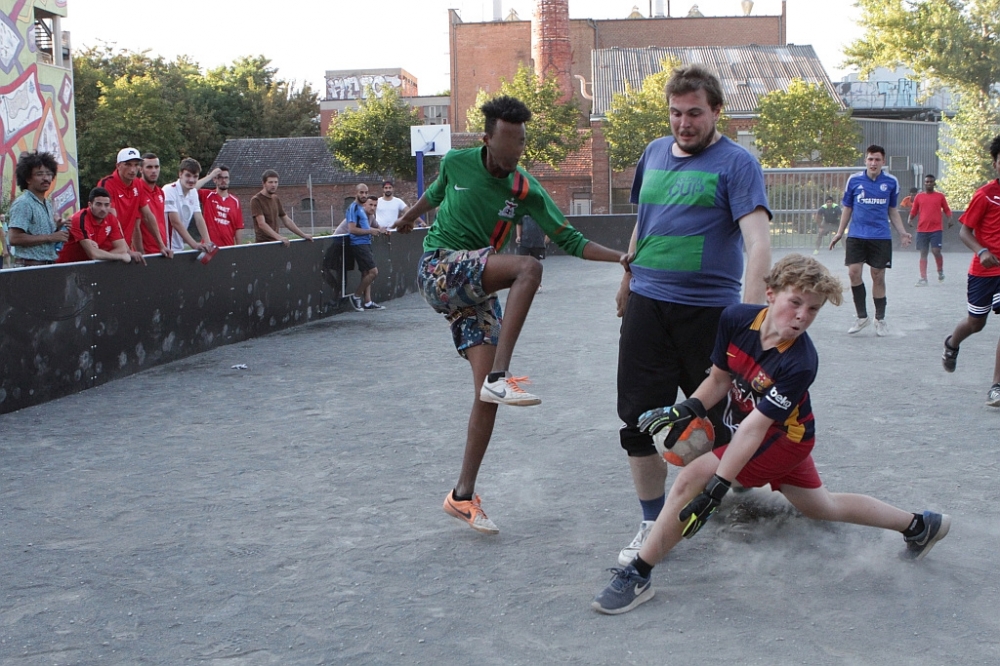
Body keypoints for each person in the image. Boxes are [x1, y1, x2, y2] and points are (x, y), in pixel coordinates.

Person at [592, 254, 950, 615]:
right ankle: (919, 525)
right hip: (779, 434)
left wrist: (716, 487)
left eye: (813, 309)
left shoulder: (800, 361)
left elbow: (753, 429)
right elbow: (719, 379)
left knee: (690, 480)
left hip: (784, 439)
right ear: (770, 295)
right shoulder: (735, 319)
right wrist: (688, 408)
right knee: (821, 506)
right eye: (795, 302)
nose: (802, 316)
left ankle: (638, 575)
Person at [392, 95, 627, 535]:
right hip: (439, 268)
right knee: (527, 268)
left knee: (485, 397)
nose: (517, 150)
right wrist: (408, 217)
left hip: (475, 286)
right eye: (509, 142)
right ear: (487, 139)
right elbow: (434, 194)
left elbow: (571, 239)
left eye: (521, 142)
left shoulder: (525, 189)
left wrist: (621, 258)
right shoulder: (458, 162)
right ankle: (501, 376)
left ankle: (461, 495)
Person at [613, 64, 772, 567]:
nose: (684, 123)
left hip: (709, 313)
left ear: (716, 111)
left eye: (695, 113)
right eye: (676, 113)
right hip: (648, 306)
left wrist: (750, 319)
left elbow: (758, 243)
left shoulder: (738, 164)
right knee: (638, 418)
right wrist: (628, 279)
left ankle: (731, 482)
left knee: (715, 418)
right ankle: (652, 521)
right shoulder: (654, 153)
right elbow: (645, 223)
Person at [941, 135, 1000, 408]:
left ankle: (996, 386)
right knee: (976, 323)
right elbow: (965, 231)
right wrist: (982, 251)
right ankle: (952, 344)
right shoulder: (985, 195)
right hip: (983, 272)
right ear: (995, 164)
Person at [829, 145, 913, 336]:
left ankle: (880, 319)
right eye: (870, 159)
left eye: (877, 159)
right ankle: (862, 317)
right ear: (865, 161)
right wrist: (840, 232)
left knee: (878, 276)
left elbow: (892, 210)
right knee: (853, 273)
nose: (873, 163)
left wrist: (902, 232)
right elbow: (847, 208)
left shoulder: (891, 182)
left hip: (880, 236)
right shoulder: (854, 180)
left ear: (883, 162)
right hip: (857, 235)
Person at [6, 151, 66, 266]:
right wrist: (50, 237)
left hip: (47, 266)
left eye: (49, 174)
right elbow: (14, 238)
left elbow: (43, 238)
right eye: (39, 174)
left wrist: (58, 228)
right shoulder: (24, 203)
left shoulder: (47, 204)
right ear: (28, 179)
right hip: (29, 268)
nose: (46, 178)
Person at [56, 187, 145, 265]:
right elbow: (93, 254)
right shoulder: (80, 219)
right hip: (66, 266)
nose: (103, 209)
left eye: (106, 205)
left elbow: (122, 248)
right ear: (90, 205)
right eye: (98, 204)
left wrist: (100, 254)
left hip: (89, 266)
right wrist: (120, 257)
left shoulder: (111, 218)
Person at [97, 148, 162, 253]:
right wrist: (127, 251)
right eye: (128, 165)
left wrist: (161, 246)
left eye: (136, 165)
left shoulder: (138, 184)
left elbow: (148, 216)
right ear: (118, 166)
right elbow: (112, 219)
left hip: (124, 248)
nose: (132, 170)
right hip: (105, 248)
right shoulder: (107, 184)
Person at [345, 185, 388, 311]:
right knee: (373, 272)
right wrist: (370, 231)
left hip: (366, 243)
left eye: (366, 193)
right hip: (358, 244)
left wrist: (382, 230)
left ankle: (368, 302)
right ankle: (356, 296)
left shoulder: (361, 208)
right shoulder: (353, 208)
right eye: (361, 192)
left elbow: (372, 226)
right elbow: (352, 229)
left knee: (366, 273)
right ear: (356, 193)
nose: (364, 195)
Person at [908, 174, 952, 286]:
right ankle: (923, 278)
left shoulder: (940, 196)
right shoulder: (919, 197)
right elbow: (914, 210)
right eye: (927, 182)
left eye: (931, 182)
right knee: (923, 253)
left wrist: (950, 218)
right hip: (922, 230)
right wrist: (910, 219)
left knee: (936, 251)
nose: (928, 183)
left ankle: (940, 271)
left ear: (934, 183)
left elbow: (946, 209)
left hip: (936, 229)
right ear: (924, 183)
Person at [251, 169, 313, 245]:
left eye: (276, 182)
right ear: (264, 183)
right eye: (270, 182)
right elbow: (262, 224)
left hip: (276, 243)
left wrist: (303, 235)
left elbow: (286, 220)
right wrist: (279, 237)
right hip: (263, 244)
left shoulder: (275, 198)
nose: (273, 185)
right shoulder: (256, 200)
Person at [163, 158, 212, 253]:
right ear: (180, 174)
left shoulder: (193, 192)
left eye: (195, 176)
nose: (191, 180)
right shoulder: (169, 190)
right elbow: (174, 222)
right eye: (188, 175)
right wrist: (194, 244)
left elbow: (199, 218)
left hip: (179, 247)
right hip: (166, 248)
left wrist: (208, 242)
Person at [135, 153, 172, 257]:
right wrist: (141, 252)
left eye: (156, 167)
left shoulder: (160, 192)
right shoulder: (136, 191)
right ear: (140, 169)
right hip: (146, 253)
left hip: (162, 250)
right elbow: (135, 226)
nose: (154, 171)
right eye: (149, 167)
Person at [198, 165, 244, 247]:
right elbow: (191, 189)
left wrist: (239, 247)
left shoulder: (235, 201)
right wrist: (209, 176)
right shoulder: (207, 195)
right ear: (214, 180)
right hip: (209, 247)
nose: (223, 180)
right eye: (220, 178)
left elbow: (238, 227)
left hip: (228, 246)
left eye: (226, 178)